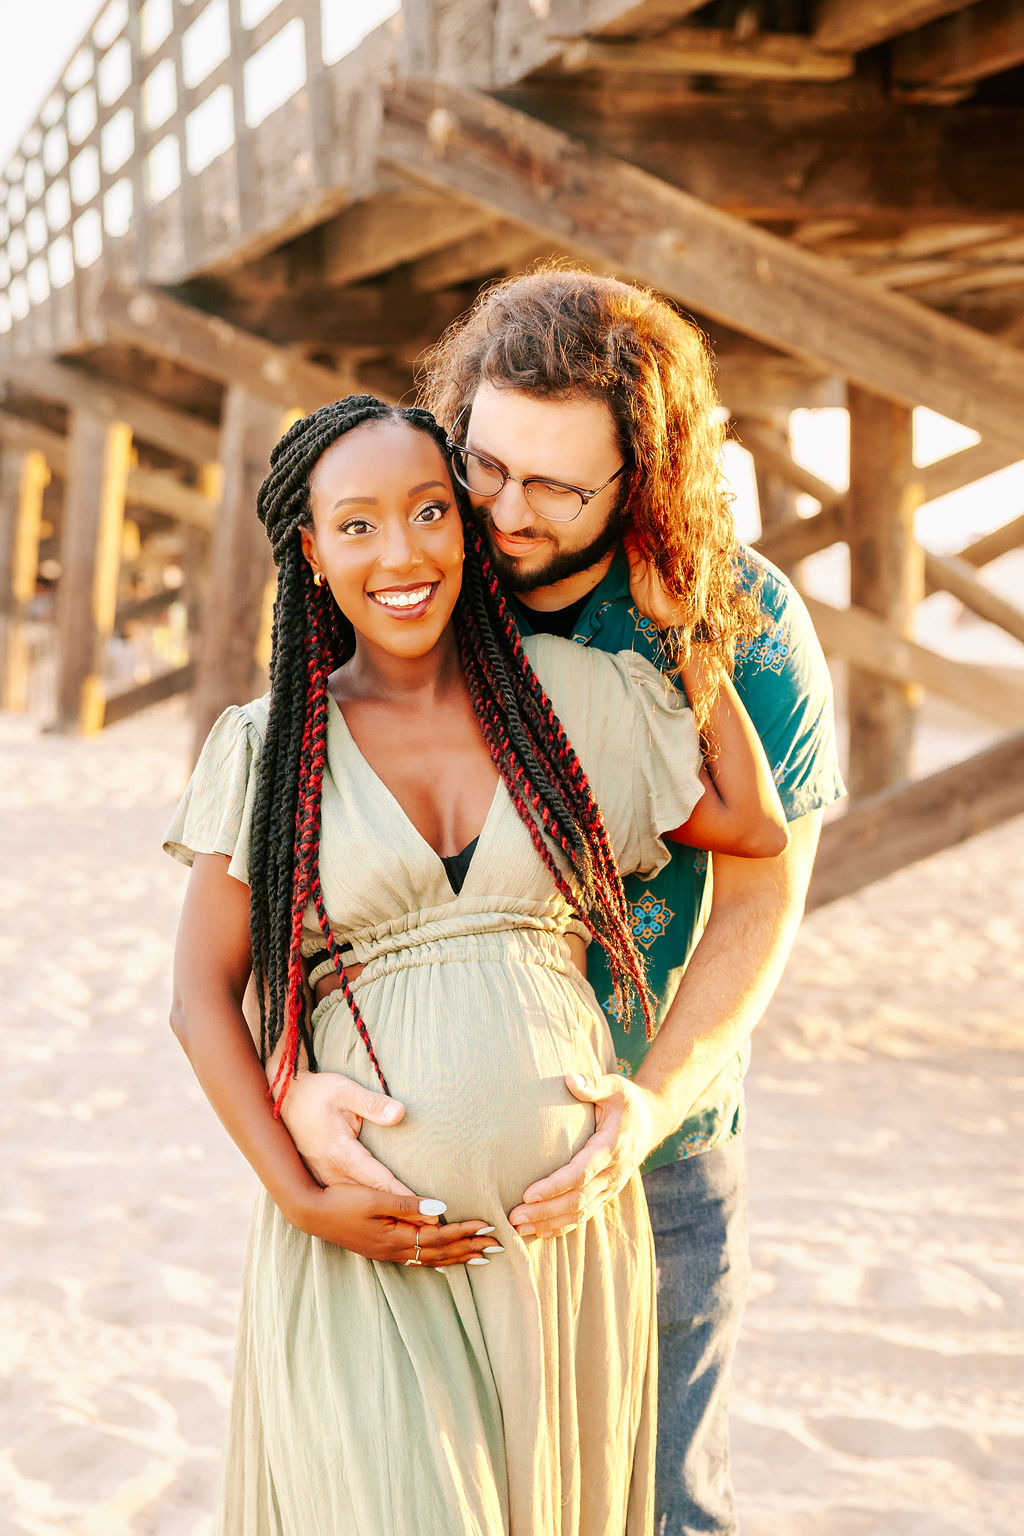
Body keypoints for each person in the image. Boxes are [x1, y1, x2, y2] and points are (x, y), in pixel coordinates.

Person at [277, 272, 846, 1534]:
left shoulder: (741, 625)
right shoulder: (404, 576)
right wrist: (288, 1084)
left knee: (663, 1514)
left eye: (554, 487)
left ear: (637, 480)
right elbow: (281, 872)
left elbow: (763, 886)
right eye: (483, 465)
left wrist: (647, 1111)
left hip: (658, 1162)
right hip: (404, 1176)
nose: (501, 511)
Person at [165, 396, 788, 1534]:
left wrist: (686, 623)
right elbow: (199, 997)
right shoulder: (267, 746)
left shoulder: (568, 699)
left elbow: (750, 826)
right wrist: (298, 1196)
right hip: (372, 1247)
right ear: (310, 552)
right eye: (356, 526)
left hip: (563, 1247)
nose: (399, 554)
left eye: (427, 513)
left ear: (466, 527)